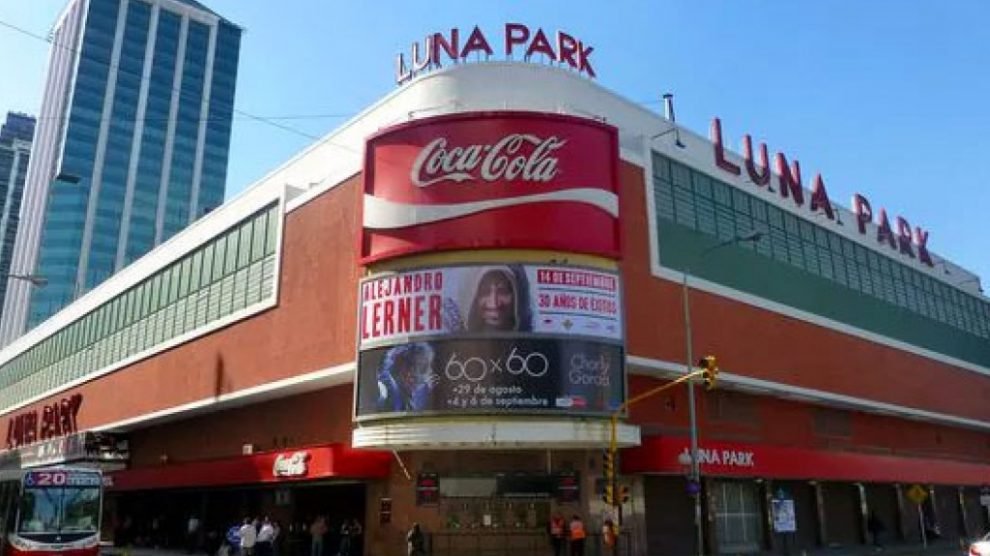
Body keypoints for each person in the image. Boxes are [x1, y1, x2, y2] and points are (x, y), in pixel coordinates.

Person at [375, 343, 437, 413]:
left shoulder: (409, 400)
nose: (425, 377)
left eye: (425, 368)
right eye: (423, 368)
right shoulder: (391, 397)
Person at [465, 267, 531, 332]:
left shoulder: (534, 341)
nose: (494, 305)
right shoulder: (457, 339)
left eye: (503, 291)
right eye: (484, 292)